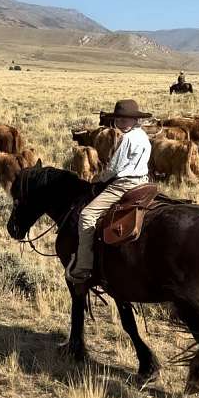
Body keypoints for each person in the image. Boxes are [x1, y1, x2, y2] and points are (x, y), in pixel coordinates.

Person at [66, 99, 152, 294]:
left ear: (134, 119)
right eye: (119, 118)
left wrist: (98, 178)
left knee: (87, 215)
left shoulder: (128, 138)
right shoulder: (142, 135)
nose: (122, 122)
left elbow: (114, 168)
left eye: (126, 118)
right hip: (143, 182)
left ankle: (83, 267)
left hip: (125, 184)